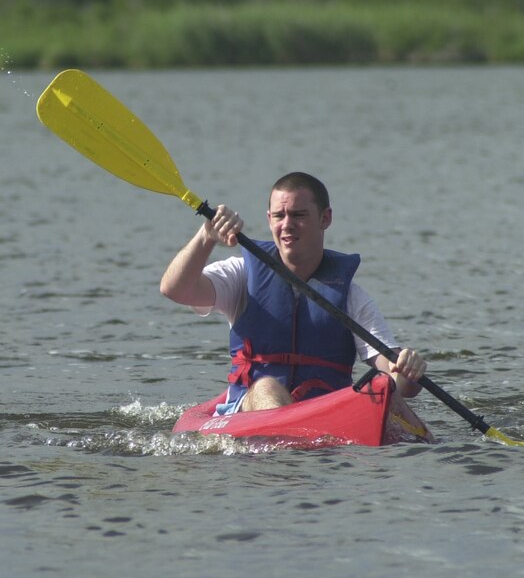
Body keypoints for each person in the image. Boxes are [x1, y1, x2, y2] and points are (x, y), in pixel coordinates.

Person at [160, 171, 432, 441]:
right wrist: (206, 236)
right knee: (267, 386)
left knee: (384, 387)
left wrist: (406, 368)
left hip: (325, 412)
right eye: (279, 216)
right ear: (269, 220)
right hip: (250, 407)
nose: (287, 224)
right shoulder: (241, 275)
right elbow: (175, 289)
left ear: (325, 218)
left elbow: (399, 380)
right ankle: (289, 454)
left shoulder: (351, 296)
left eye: (299, 215)